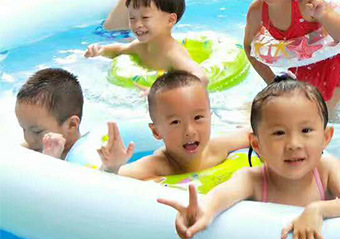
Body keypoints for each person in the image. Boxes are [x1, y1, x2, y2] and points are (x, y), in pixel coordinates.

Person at [157, 77, 340, 239]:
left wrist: (317, 210)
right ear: (256, 144)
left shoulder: (326, 169)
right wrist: (202, 210)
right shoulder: (253, 179)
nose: (294, 144)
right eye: (279, 133)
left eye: (306, 130)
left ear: (326, 137)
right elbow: (220, 195)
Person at [97, 70, 249, 179]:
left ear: (210, 118)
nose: (189, 131)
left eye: (198, 117)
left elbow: (253, 134)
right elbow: (105, 183)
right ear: (156, 132)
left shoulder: (218, 148)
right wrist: (112, 166)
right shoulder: (156, 166)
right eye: (175, 122)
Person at [84, 0, 208, 86]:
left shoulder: (172, 54)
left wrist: (165, 92)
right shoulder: (140, 46)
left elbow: (201, 77)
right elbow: (119, 50)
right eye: (132, 18)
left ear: (170, 20)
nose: (137, 24)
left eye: (145, 17)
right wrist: (100, 50)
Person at [15, 68, 84, 159]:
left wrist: (50, 160)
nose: (28, 139)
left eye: (37, 132)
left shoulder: (86, 156)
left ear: (72, 125)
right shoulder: (31, 147)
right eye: (23, 129)